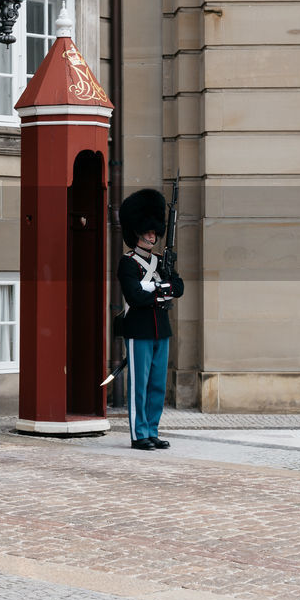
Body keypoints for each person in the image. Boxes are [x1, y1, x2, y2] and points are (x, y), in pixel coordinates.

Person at [117, 188, 183, 451]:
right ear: (137, 232)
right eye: (147, 231)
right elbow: (134, 296)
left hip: (161, 329)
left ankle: (152, 430)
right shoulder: (128, 262)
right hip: (139, 329)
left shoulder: (161, 261)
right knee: (139, 385)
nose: (152, 235)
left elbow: (178, 287)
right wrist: (160, 291)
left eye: (154, 231)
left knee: (157, 385)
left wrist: (158, 289)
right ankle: (138, 433)